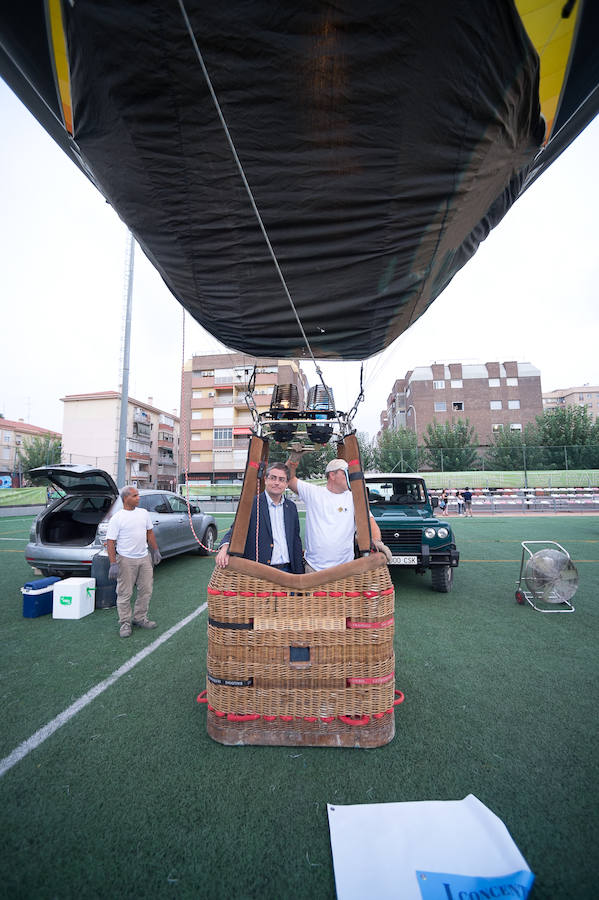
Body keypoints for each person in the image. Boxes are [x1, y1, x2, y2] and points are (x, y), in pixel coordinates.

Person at [286, 456, 389, 572]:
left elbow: (369, 521)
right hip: (314, 569)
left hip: (345, 569)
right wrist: (293, 459)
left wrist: (376, 541)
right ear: (332, 475)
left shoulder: (354, 497)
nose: (349, 477)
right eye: (346, 472)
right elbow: (288, 479)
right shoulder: (313, 493)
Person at [215, 462, 303, 572]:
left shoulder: (291, 507)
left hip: (287, 570)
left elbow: (295, 540)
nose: (277, 483)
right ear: (265, 480)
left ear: (286, 484)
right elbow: (236, 530)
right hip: (260, 571)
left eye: (281, 479)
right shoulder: (251, 504)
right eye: (273, 478)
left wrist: (299, 572)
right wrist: (225, 548)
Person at [107, 486, 162, 638]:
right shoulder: (117, 518)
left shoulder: (143, 513)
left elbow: (149, 533)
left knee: (146, 590)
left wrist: (155, 550)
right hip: (125, 560)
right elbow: (110, 542)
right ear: (126, 499)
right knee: (125, 593)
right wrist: (113, 563)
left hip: (144, 558)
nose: (139, 498)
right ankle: (125, 623)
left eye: (138, 495)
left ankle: (140, 618)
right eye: (135, 496)